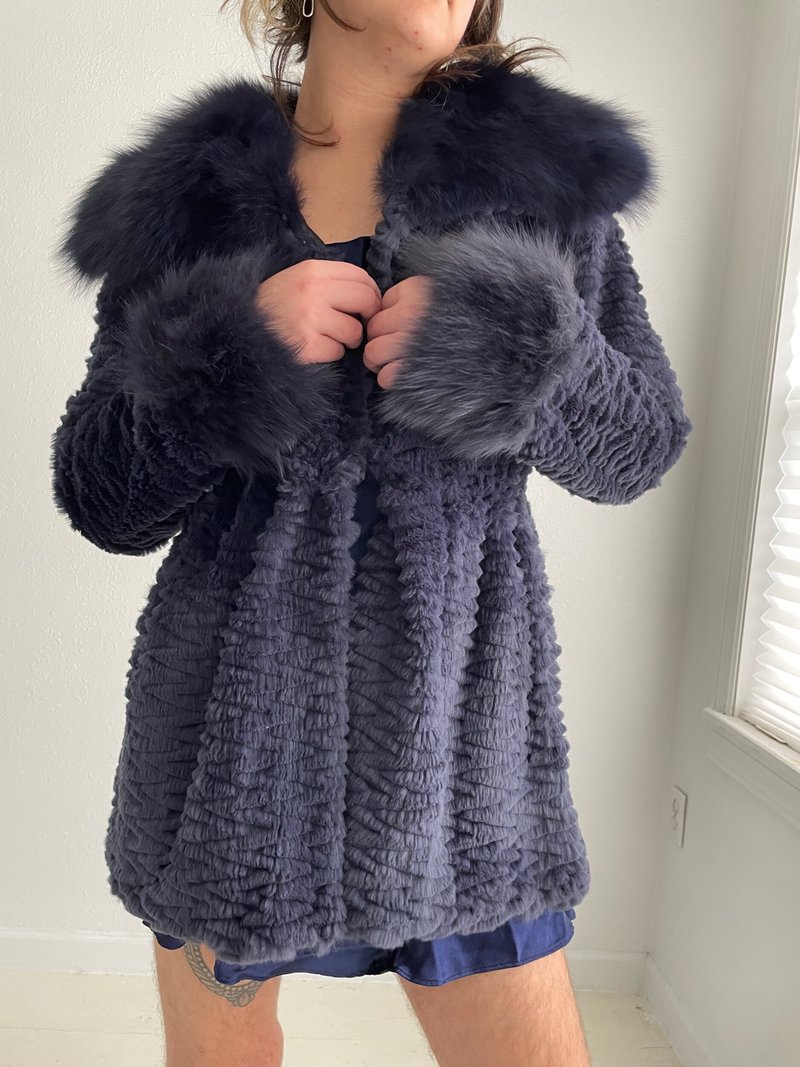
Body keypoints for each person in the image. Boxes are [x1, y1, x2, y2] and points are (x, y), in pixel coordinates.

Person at [50, 1, 693, 1064]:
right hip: (227, 758)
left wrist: (516, 347)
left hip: (457, 758)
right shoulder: (187, 198)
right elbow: (101, 494)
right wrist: (225, 356)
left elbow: (638, 446)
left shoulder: (541, 174)